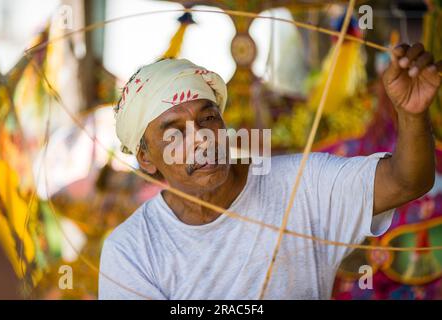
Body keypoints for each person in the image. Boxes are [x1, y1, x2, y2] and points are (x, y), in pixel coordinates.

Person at [99, 43, 441, 299]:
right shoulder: (131, 251)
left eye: (208, 118)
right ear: (146, 158)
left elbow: (407, 181)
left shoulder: (303, 184)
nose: (201, 139)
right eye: (174, 132)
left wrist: (411, 115)